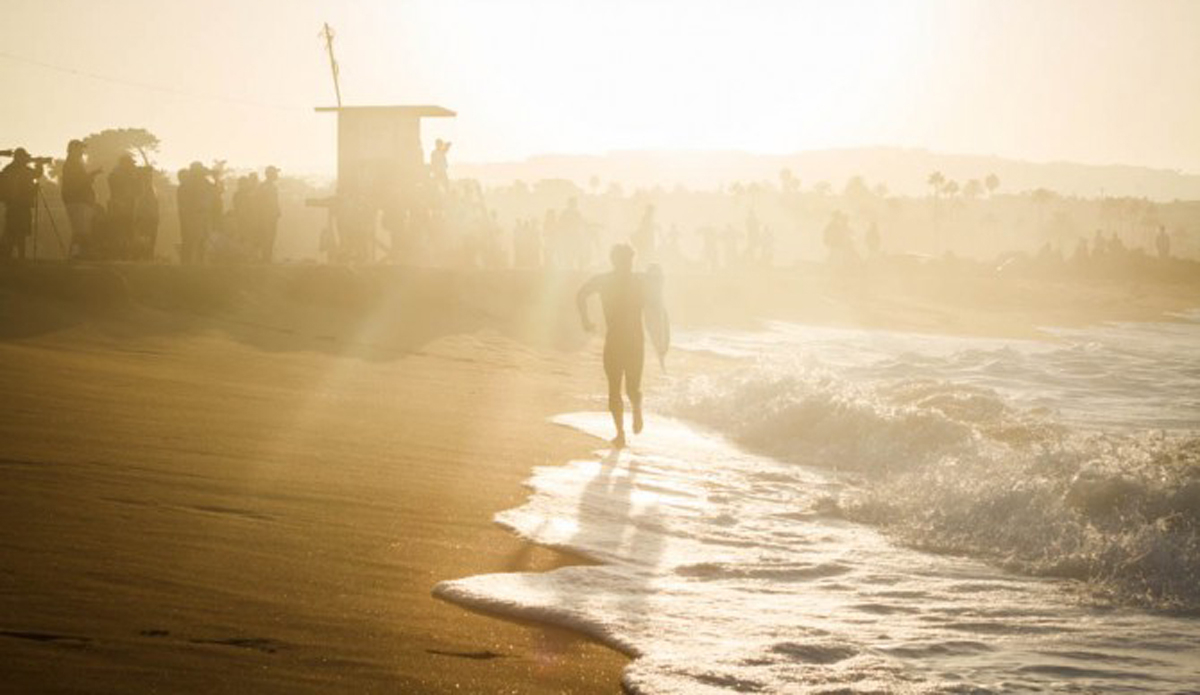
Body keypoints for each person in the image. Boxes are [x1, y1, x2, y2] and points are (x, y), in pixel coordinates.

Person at [577, 244, 647, 448]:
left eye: (629, 260)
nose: (628, 263)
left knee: (619, 389)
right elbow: (656, 307)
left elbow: (581, 295)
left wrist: (585, 321)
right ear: (617, 260)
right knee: (625, 389)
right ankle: (624, 426)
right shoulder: (638, 281)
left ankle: (623, 429)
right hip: (632, 341)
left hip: (619, 340)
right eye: (627, 260)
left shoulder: (606, 281)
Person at [1, 148, 44, 260]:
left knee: (12, 231)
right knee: (20, 232)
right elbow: (37, 174)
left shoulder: (9, 169)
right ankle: (18, 257)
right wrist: (39, 164)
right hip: (20, 205)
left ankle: (8, 256)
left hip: (12, 205)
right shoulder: (22, 170)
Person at [60, 139, 101, 257]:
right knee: (80, 229)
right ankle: (77, 254)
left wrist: (90, 176)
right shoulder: (72, 164)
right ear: (74, 149)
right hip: (77, 200)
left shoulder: (74, 163)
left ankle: (78, 253)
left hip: (78, 200)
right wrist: (91, 176)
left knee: (81, 229)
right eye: (80, 149)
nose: (82, 151)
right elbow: (78, 182)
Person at [256, 166, 281, 262]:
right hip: (267, 216)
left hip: (270, 215)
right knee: (267, 236)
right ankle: (266, 257)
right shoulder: (266, 186)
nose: (277, 175)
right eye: (275, 173)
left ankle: (267, 257)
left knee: (270, 236)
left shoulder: (269, 186)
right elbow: (265, 202)